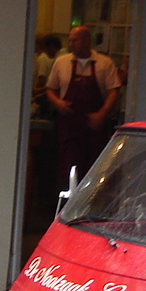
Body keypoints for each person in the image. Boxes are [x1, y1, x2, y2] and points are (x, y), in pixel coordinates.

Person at [45, 24, 122, 183]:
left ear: (87, 40)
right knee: (68, 168)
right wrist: (58, 103)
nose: (71, 44)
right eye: (70, 40)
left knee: (94, 170)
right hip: (69, 125)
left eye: (75, 40)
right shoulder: (61, 62)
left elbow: (114, 91)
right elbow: (50, 89)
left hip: (94, 126)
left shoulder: (104, 63)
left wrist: (102, 114)